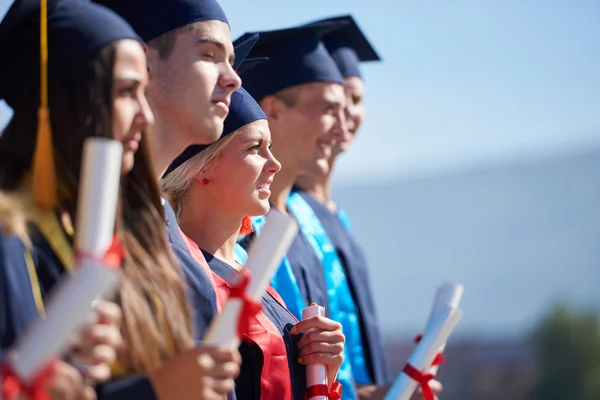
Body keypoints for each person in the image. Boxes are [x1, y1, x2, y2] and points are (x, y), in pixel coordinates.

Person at [0, 1, 239, 399]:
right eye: (128, 91)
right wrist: (154, 390)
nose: (145, 115)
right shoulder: (13, 236)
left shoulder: (111, 229)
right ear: (74, 95)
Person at [162, 85, 346, 400]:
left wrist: (321, 374)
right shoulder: (179, 276)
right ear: (204, 164)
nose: (274, 164)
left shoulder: (251, 274)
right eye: (255, 148)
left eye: (271, 147)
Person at [99, 0, 254, 341]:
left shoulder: (167, 221)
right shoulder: (91, 219)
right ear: (143, 64)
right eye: (210, 56)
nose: (233, 79)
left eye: (229, 60)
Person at [233, 22, 361, 399]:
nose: (343, 128)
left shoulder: (309, 224)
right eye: (328, 110)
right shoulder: (233, 231)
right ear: (273, 110)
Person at [295, 15, 392, 391]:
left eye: (356, 99)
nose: (347, 114)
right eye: (334, 102)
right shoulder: (292, 210)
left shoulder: (337, 215)